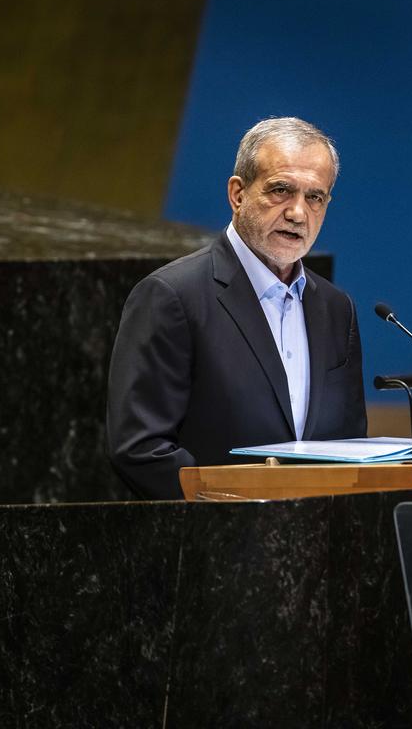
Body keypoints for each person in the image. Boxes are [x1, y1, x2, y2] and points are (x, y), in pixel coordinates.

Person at [108, 117, 367, 499]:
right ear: (238, 194)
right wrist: (236, 514)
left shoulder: (335, 307)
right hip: (211, 542)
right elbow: (140, 449)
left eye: (315, 197)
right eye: (281, 190)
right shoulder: (172, 296)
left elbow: (350, 446)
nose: (298, 213)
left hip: (314, 542)